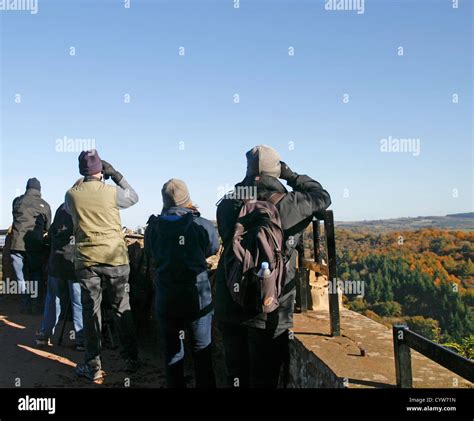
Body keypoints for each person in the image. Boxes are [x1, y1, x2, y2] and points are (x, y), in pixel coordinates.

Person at [215, 145, 331, 388]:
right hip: (271, 305)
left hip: (230, 299)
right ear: (276, 170)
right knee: (265, 379)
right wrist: (291, 176)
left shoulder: (227, 203)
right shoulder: (291, 203)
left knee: (235, 374)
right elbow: (322, 196)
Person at [65, 150, 139, 382]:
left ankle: (93, 364)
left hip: (87, 260)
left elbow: (70, 212)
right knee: (121, 307)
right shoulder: (111, 192)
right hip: (116, 258)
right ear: (101, 169)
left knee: (90, 311)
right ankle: (131, 359)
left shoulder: (71, 195)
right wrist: (116, 175)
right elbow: (133, 197)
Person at [144, 179, 219, 388]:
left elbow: (149, 252)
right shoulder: (201, 224)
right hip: (197, 293)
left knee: (172, 351)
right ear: (187, 198)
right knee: (202, 350)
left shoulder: (154, 227)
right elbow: (213, 248)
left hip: (167, 295)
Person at [36, 183, 84, 350]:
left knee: (53, 299)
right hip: (74, 263)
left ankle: (44, 334)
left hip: (56, 261)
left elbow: (53, 231)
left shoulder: (60, 208)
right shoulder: (82, 210)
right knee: (78, 302)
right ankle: (81, 339)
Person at [10, 178, 51, 314]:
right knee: (35, 274)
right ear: (39, 190)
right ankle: (36, 305)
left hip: (16, 244)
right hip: (35, 245)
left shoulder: (17, 201)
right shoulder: (44, 205)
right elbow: (48, 228)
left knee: (21, 277)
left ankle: (25, 305)